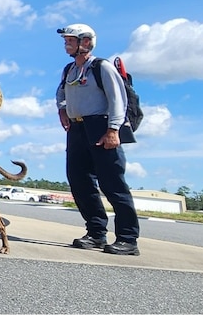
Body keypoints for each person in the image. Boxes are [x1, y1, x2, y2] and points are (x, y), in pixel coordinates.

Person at [56, 23, 140, 256]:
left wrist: (113, 130)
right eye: (66, 40)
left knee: (113, 184)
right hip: (77, 128)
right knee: (79, 181)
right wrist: (63, 109)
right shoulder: (69, 70)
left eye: (70, 40)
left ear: (86, 42)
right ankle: (95, 232)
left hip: (100, 126)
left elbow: (118, 100)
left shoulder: (101, 67)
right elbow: (61, 93)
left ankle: (128, 238)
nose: (66, 44)